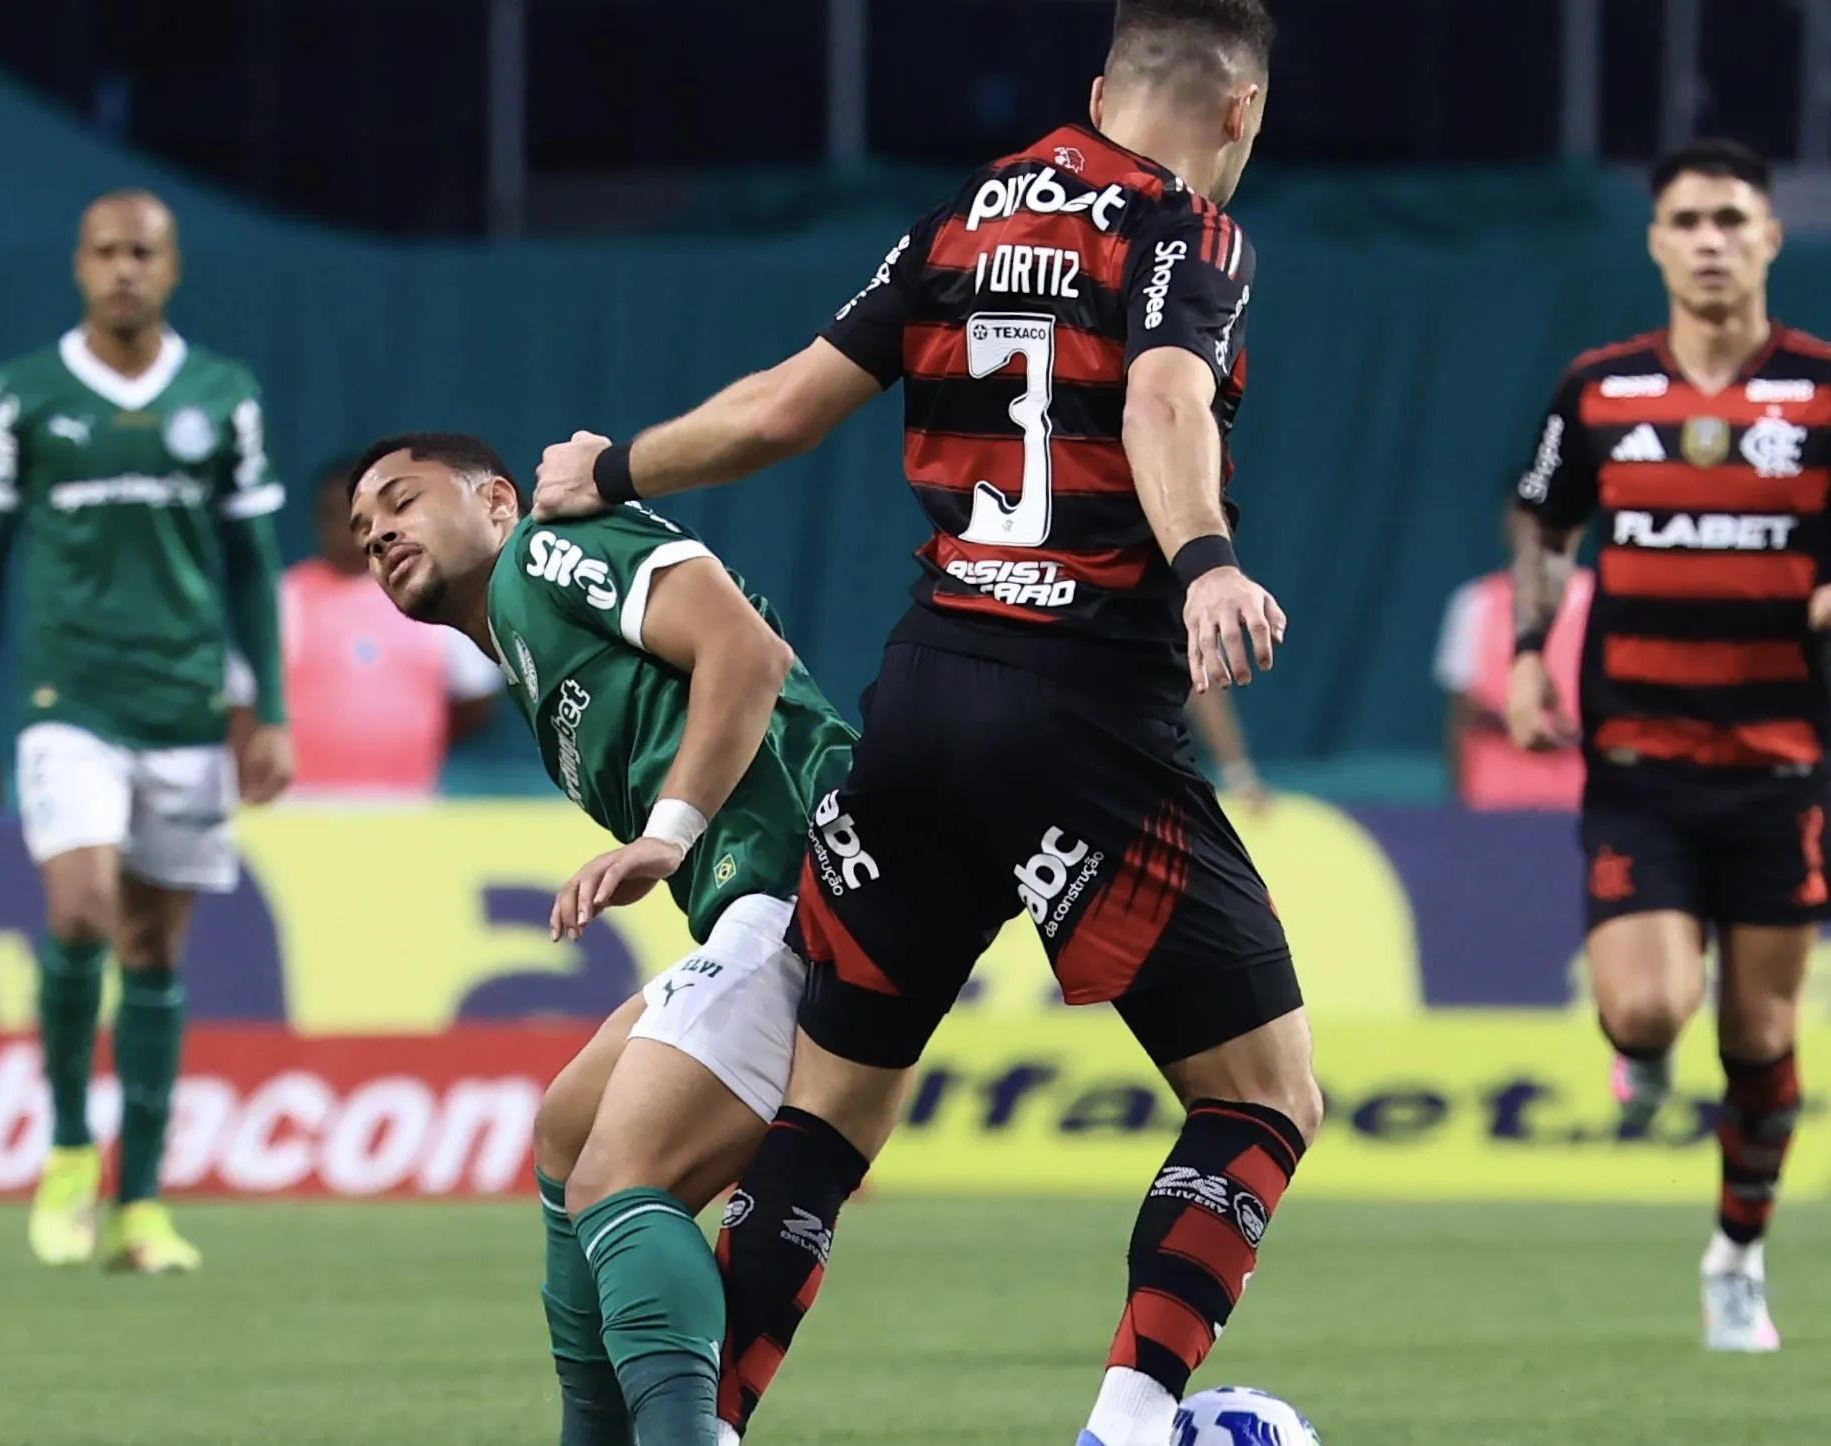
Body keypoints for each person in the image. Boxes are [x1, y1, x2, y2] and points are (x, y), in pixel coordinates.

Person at [533, 5, 1314, 1442]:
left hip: (919, 709)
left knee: (824, 1127)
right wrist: (1203, 561)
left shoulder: (960, 217)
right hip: (1075, 715)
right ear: (1241, 111)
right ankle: (1130, 1423)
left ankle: (697, 1428)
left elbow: (778, 411)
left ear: (1093, 89)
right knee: (1260, 1097)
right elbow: (1158, 395)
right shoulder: (1185, 230)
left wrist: (612, 464)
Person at [1504, 138, 1831, 1352]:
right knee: (1652, 1010)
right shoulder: (1600, 392)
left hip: (1780, 767)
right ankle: (1639, 1056)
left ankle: (1738, 1256)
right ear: (1656, 242)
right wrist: (1525, 651)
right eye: (1689, 220)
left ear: (1771, 238)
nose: (1711, 240)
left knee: (1759, 1036)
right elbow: (1543, 525)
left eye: (1733, 219)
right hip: (1640, 766)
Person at [347, 431, 857, 1446]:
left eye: (401, 503)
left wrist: (665, 837)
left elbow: (750, 652)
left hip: (806, 880)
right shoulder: (526, 654)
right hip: (771, 891)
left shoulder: (541, 552)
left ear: (495, 500)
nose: (379, 536)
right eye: (362, 533)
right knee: (570, 1128)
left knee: (617, 1176)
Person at [0, 189, 295, 1273]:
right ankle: (62, 1149)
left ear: (173, 267)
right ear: (78, 264)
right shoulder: (24, 396)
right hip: (70, 704)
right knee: (83, 910)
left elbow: (249, 565)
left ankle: (138, 1203)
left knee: (153, 950)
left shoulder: (224, 397)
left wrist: (268, 711)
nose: (124, 269)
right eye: (106, 252)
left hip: (186, 708)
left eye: (143, 252)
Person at [246, 459, 503, 798]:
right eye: (334, 511)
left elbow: (475, 698)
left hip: (409, 808)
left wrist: (405, 739)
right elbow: (245, 708)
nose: (345, 524)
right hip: (303, 812)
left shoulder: (433, 595)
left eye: (357, 513)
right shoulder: (283, 599)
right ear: (317, 517)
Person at [1435, 506, 1595, 809]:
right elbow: (1460, 714)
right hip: (1495, 801)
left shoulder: (1602, 602)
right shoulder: (1474, 602)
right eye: (1522, 517)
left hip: (1582, 801)